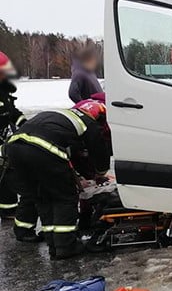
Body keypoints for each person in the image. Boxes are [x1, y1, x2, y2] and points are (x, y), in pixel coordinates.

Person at [5, 99, 110, 259]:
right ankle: (66, 246)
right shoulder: (89, 123)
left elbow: (74, 155)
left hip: (14, 149)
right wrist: (100, 173)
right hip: (42, 149)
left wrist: (83, 174)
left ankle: (53, 244)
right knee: (64, 198)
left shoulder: (61, 115)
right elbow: (98, 150)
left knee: (43, 197)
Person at [0, 51, 27, 224]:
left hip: (4, 139)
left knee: (8, 171)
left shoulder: (4, 91)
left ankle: (8, 208)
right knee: (5, 172)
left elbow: (12, 112)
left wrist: (25, 124)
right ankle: (7, 209)